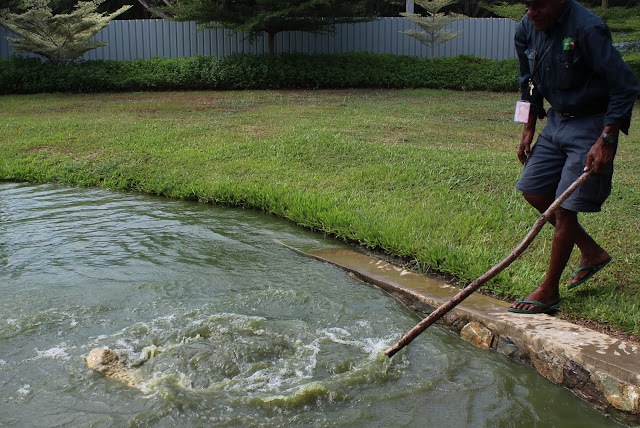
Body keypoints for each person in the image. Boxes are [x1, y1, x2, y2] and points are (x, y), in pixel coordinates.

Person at [508, 0, 639, 314]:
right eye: (527, 5)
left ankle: (549, 290)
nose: (531, 12)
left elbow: (626, 85)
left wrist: (606, 138)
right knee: (533, 190)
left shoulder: (588, 28)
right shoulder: (527, 28)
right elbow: (527, 81)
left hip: (592, 122)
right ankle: (591, 251)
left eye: (538, 5)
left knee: (565, 209)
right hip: (556, 120)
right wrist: (527, 125)